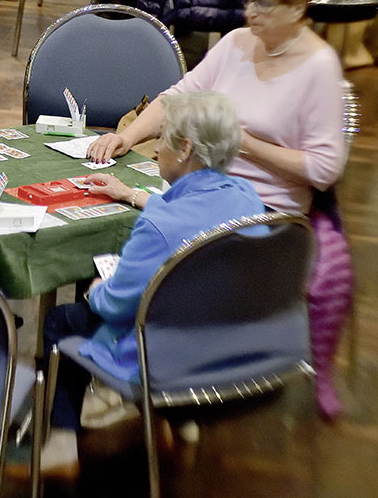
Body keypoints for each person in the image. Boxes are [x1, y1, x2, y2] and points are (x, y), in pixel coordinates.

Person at [88, 0, 352, 420]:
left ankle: (132, 364)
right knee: (108, 217)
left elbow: (324, 169)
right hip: (197, 188)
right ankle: (126, 364)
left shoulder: (320, 67)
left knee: (151, 257)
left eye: (264, 3)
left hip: (260, 213)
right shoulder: (234, 44)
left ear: (299, 6)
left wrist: (243, 144)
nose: (250, 11)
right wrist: (126, 136)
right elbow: (178, 98)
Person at [31, 91, 265, 479]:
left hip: (164, 353)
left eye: (164, 136)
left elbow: (115, 306)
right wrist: (130, 195)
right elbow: (190, 215)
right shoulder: (247, 198)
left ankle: (60, 446)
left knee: (64, 320)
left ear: (185, 148)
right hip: (224, 341)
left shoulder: (159, 230)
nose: (157, 148)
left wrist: (95, 291)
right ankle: (175, 422)